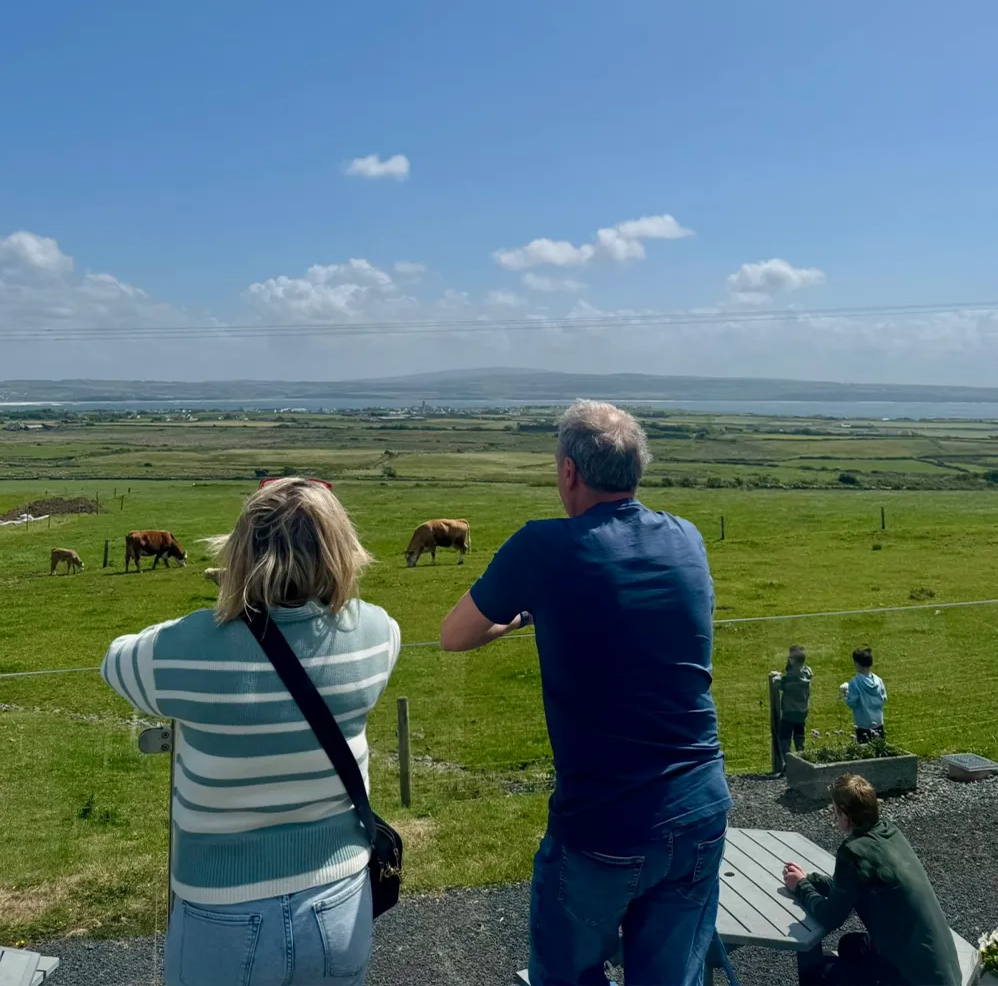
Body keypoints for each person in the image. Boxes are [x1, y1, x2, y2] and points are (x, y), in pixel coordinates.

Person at [440, 399, 732, 986]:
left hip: (604, 821)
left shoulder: (543, 547)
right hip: (701, 803)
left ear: (569, 471)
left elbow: (454, 635)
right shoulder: (687, 538)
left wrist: (524, 615)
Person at [101, 478, 400, 986]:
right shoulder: (379, 633)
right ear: (342, 550)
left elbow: (116, 661)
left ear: (240, 551)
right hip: (341, 897)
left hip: (221, 906)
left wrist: (231, 597)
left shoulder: (188, 648)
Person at [783, 774, 961, 986]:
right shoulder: (889, 832)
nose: (834, 818)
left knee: (819, 975)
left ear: (845, 815)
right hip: (939, 969)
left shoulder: (853, 853)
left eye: (835, 812)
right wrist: (809, 879)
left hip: (915, 980)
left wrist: (801, 887)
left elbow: (830, 917)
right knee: (851, 946)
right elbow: (853, 887)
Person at [779, 644, 813, 771]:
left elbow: (780, 685)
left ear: (792, 660)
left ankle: (788, 763)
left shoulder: (791, 677)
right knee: (799, 736)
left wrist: (776, 677)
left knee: (784, 738)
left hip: (789, 713)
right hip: (802, 712)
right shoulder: (807, 673)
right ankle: (802, 760)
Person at [844, 646, 887, 743]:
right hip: (878, 722)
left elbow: (853, 703)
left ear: (857, 664)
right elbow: (884, 698)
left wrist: (846, 695)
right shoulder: (878, 680)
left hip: (863, 724)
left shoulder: (855, 683)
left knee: (865, 749)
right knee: (879, 747)